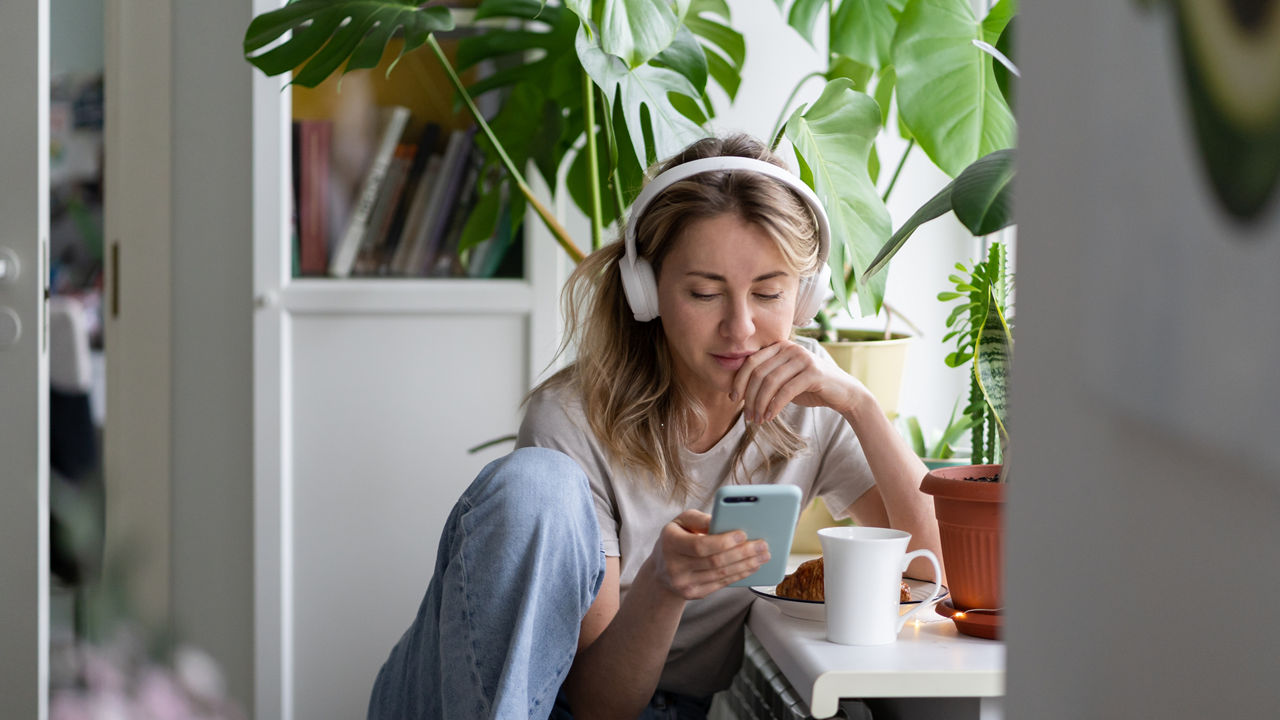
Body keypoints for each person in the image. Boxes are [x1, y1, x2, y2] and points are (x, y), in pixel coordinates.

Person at [368, 134, 943, 720]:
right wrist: (663, 586)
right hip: (492, 697)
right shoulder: (572, 421)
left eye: (768, 293)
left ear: (806, 297)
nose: (740, 328)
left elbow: (935, 568)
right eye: (703, 292)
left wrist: (860, 404)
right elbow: (593, 703)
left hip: (649, 707)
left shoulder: (809, 406)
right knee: (536, 484)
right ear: (647, 292)